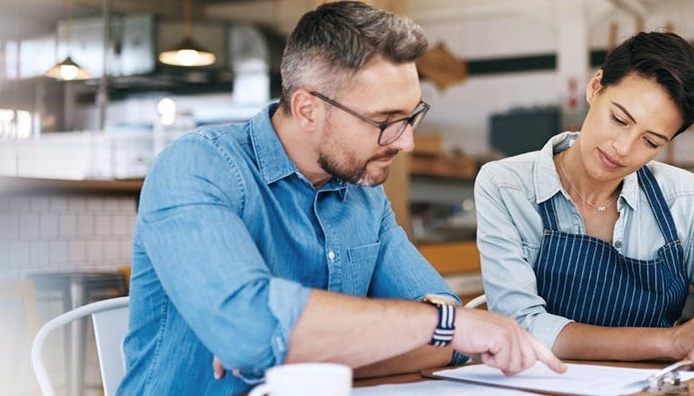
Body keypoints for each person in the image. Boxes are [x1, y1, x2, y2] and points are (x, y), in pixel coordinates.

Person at [119, 2, 565, 394]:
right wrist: (439, 327)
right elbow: (447, 327)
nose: (406, 142)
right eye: (386, 120)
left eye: (411, 117)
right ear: (307, 109)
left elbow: (450, 344)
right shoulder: (197, 168)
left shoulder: (364, 198)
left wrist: (290, 352)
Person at [475, 31, 694, 376]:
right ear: (595, 87)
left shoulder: (682, 199)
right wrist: (672, 341)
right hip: (537, 385)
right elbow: (518, 326)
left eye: (651, 140)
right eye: (619, 119)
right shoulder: (505, 185)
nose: (623, 148)